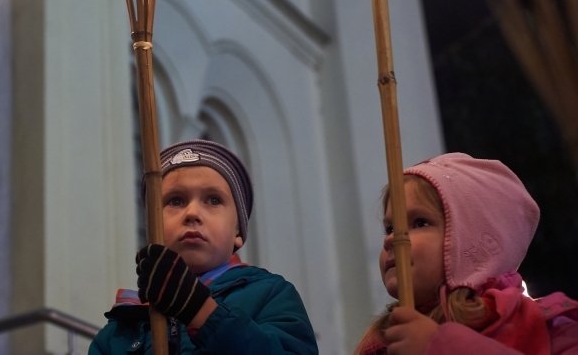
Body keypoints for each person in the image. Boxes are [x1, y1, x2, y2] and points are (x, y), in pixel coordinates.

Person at [90, 139, 318, 354]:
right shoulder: (118, 333)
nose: (192, 213)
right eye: (175, 201)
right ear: (151, 228)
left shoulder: (272, 295)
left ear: (238, 231)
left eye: (213, 200)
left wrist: (200, 311)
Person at [356, 152, 578, 355]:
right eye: (390, 228)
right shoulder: (383, 342)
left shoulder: (550, 328)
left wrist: (442, 346)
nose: (391, 239)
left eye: (420, 223)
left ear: (473, 243)